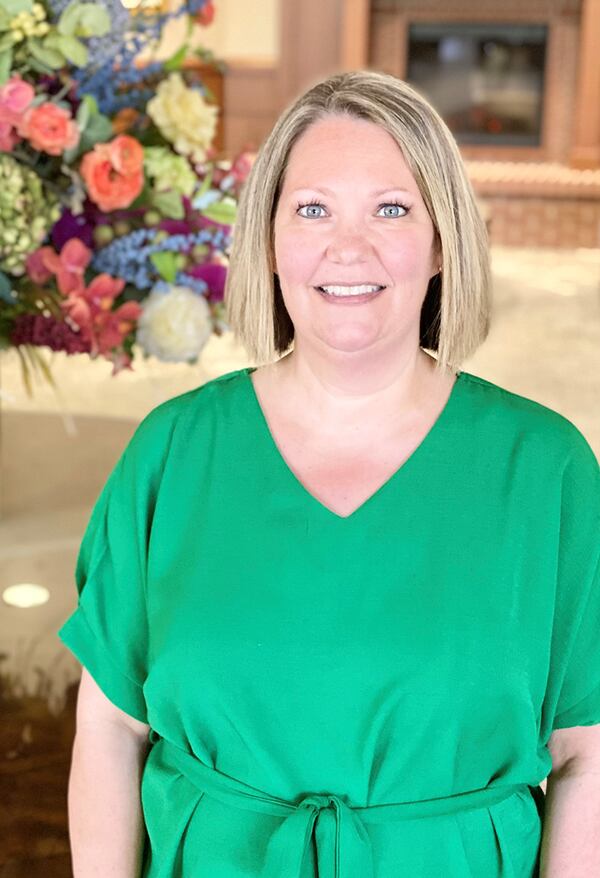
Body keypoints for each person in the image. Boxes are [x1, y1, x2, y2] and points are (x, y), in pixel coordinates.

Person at [58, 70, 600, 877]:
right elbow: (109, 726)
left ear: (442, 241)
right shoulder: (173, 450)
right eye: (313, 209)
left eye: (392, 209)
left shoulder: (548, 470)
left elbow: (587, 754)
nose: (349, 248)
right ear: (269, 240)